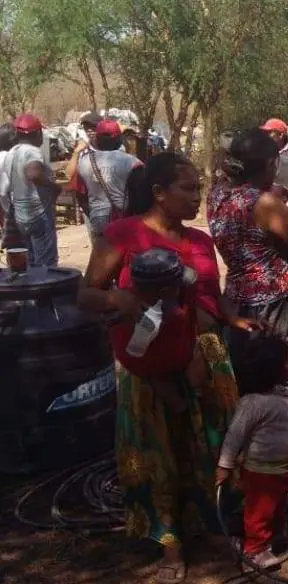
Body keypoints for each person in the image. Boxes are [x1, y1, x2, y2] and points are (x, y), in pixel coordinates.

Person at [77, 153, 257, 584]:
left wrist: (232, 319)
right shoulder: (123, 235)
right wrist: (115, 300)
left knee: (210, 447)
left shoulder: (199, 241)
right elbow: (85, 296)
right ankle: (169, 543)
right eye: (188, 188)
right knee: (156, 453)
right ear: (158, 193)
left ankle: (214, 526)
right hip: (145, 364)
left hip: (202, 356)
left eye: (198, 187)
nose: (197, 197)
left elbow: (210, 298)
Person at [208, 128, 288, 411]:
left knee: (252, 380)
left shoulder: (217, 195)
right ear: (272, 164)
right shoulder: (266, 204)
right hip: (279, 302)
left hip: (239, 300)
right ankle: (281, 444)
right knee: (287, 380)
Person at [216, 333, 288, 568]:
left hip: (284, 468)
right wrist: (225, 465)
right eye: (284, 361)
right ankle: (255, 549)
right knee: (260, 510)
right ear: (270, 368)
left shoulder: (281, 396)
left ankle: (273, 539)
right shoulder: (253, 403)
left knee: (276, 507)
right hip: (262, 469)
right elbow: (235, 436)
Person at [68, 119, 143, 244]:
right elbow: (141, 194)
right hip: (125, 220)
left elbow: (80, 195)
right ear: (120, 139)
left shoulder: (83, 162)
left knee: (103, 257)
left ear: (97, 139)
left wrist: (93, 214)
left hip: (98, 221)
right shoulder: (132, 162)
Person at [1, 114, 60, 267]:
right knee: (47, 263)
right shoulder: (32, 151)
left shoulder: (11, 153)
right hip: (39, 215)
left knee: (32, 260)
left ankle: (33, 289)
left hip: (22, 217)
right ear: (38, 133)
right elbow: (33, 174)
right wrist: (55, 187)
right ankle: (45, 290)